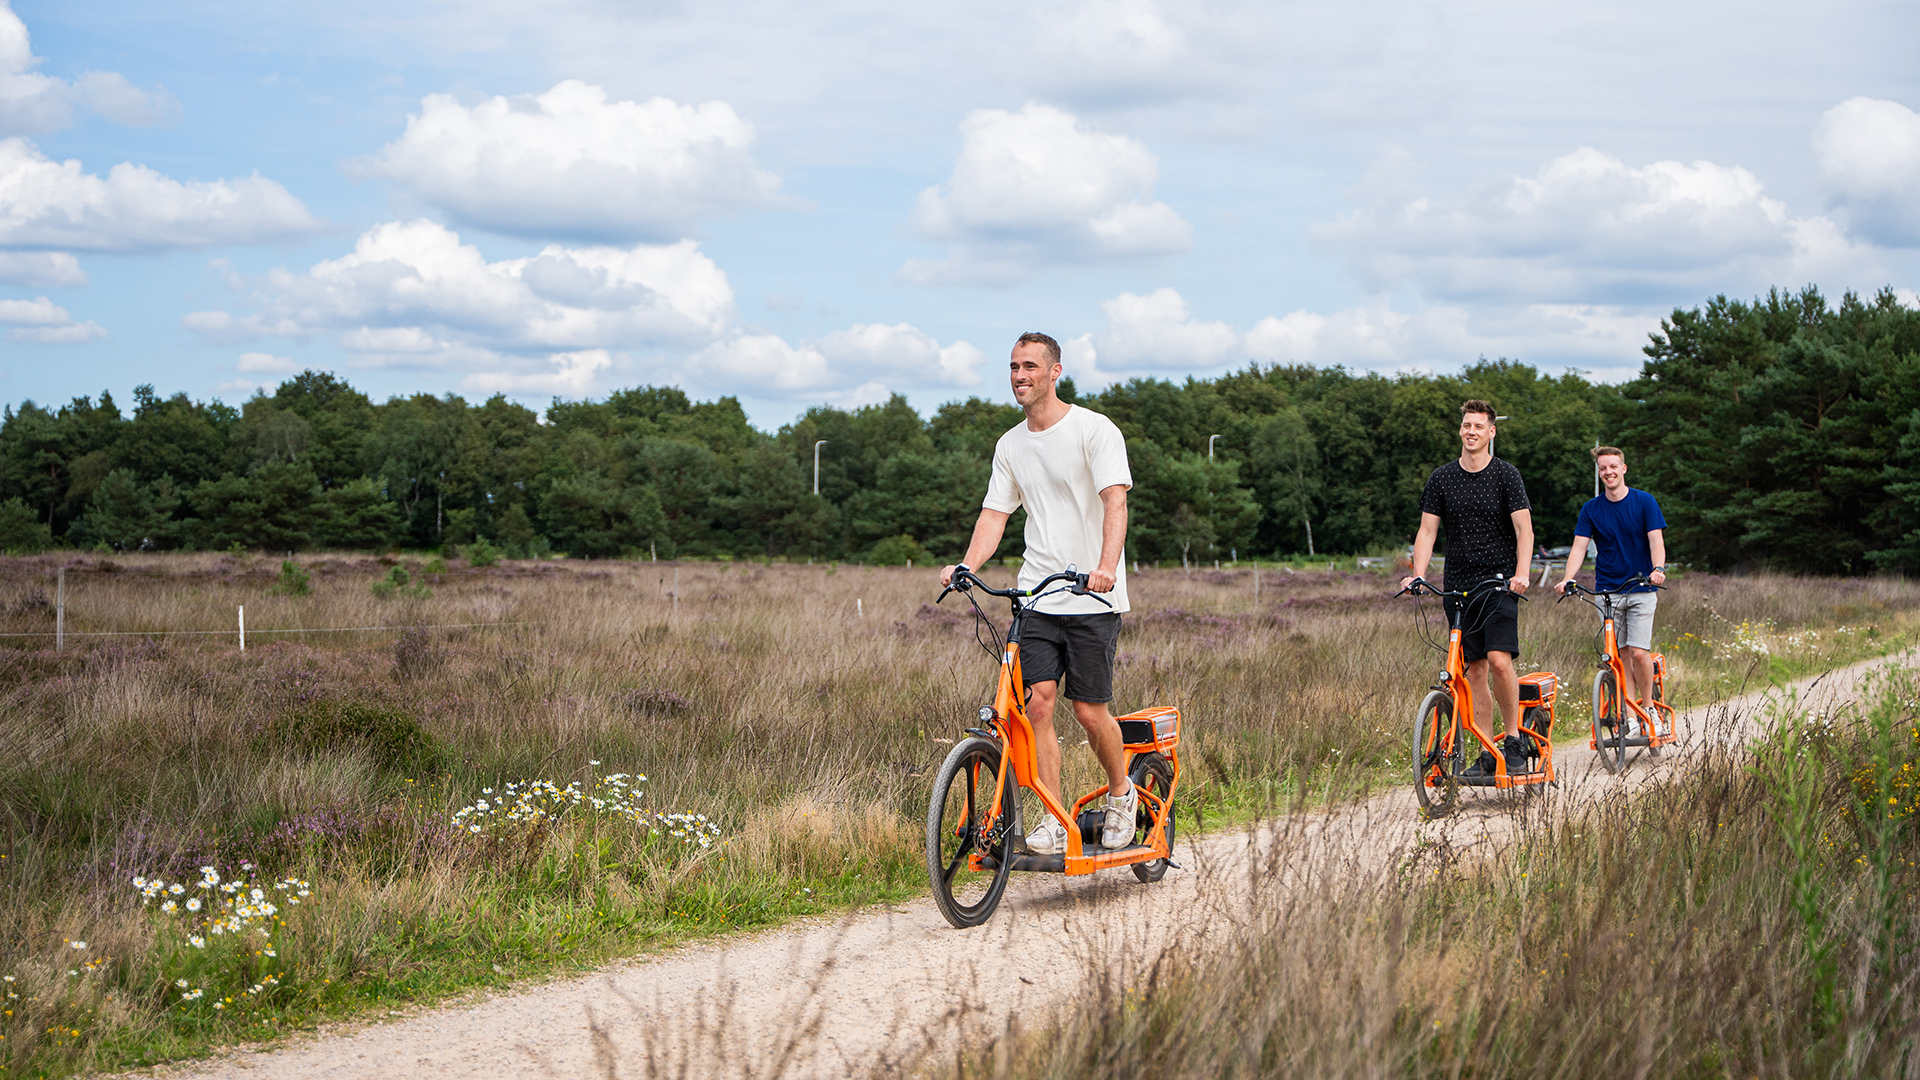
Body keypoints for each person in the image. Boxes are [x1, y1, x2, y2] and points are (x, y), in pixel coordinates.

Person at [939, 332, 1136, 853]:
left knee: (1090, 711)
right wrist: (967, 563)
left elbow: (1115, 501)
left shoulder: (1095, 430)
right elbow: (995, 514)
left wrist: (1104, 567)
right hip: (1037, 599)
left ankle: (1122, 794)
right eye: (1011, 367)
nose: (1019, 375)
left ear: (1055, 372)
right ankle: (1052, 816)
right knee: (1037, 708)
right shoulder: (1010, 445)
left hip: (1092, 597)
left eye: (1029, 366)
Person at [1399, 399, 1535, 775]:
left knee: (1498, 662)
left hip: (1499, 582)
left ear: (1491, 432)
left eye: (1478, 426)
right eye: (1466, 425)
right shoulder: (1442, 478)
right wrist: (1418, 573)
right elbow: (1427, 531)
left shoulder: (1506, 475)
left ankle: (1512, 740)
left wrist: (1521, 572)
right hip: (1457, 585)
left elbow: (1524, 530)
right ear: (1460, 430)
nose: (1470, 431)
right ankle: (1487, 751)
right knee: (1473, 671)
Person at [1554, 446, 1668, 724]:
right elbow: (1579, 547)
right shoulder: (1591, 509)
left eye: (1613, 467)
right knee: (1620, 657)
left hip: (1641, 587)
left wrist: (1658, 569)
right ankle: (1629, 715)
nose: (1608, 472)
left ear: (1623, 468)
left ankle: (1649, 706)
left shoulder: (1644, 502)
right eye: (1603, 468)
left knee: (1640, 653)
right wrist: (1568, 577)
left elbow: (1656, 541)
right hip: (1607, 592)